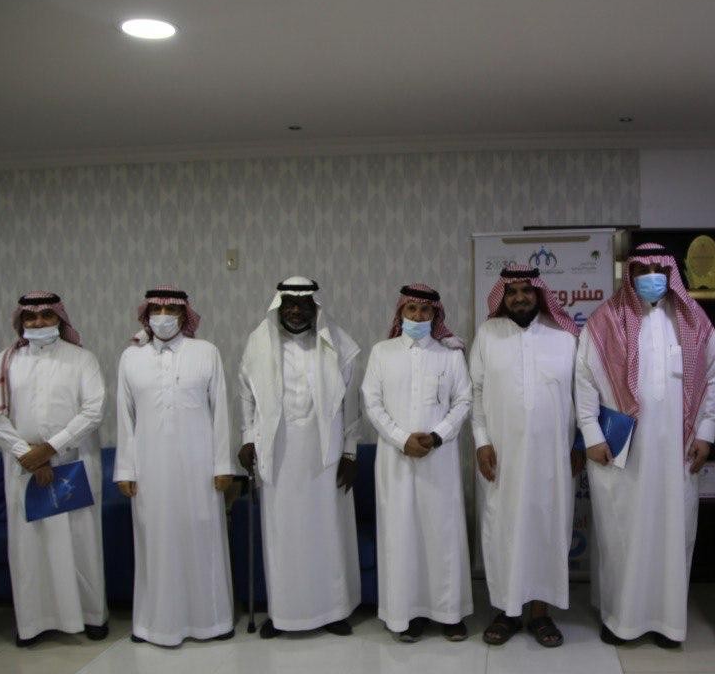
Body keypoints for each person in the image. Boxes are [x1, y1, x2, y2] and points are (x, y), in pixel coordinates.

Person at [574, 243, 715, 648]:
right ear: (631, 274)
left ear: (671, 273)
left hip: (678, 451)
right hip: (622, 453)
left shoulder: (692, 321)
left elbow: (714, 379)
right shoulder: (604, 321)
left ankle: (668, 622)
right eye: (643, 269)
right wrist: (592, 435)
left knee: (674, 533)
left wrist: (706, 432)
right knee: (621, 534)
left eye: (659, 268)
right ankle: (620, 619)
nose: (652, 276)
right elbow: (584, 381)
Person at [0, 291, 108, 647]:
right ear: (20, 322)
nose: (38, 322)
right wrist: (28, 454)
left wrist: (50, 449)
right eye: (31, 317)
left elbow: (94, 410)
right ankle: (34, 623)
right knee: (30, 548)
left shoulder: (82, 359)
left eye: (47, 316)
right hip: (22, 466)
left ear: (59, 319)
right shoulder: (4, 363)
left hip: (72, 463)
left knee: (79, 542)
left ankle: (90, 616)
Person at [238, 277, 361, 638]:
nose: (295, 310)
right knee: (282, 534)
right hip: (277, 454)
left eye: (303, 304)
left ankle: (334, 611)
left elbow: (351, 404)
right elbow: (246, 395)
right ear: (278, 307)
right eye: (289, 303)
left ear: (314, 307)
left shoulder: (338, 345)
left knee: (327, 531)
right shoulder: (258, 344)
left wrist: (350, 451)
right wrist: (247, 439)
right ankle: (283, 615)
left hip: (325, 455)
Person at [115, 286, 235, 646]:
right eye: (157, 309)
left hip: (200, 467)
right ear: (146, 315)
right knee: (155, 541)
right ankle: (154, 625)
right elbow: (124, 417)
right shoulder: (131, 358)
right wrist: (125, 469)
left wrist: (222, 464)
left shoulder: (206, 352)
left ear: (184, 315)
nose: (163, 316)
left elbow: (221, 411)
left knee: (202, 537)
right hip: (149, 469)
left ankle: (212, 622)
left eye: (171, 309)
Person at [471, 264, 581, 648]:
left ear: (539, 293)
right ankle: (507, 611)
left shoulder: (565, 337)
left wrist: (579, 445)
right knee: (503, 529)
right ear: (502, 297)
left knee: (547, 529)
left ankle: (540, 613)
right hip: (502, 457)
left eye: (526, 290)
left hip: (553, 459)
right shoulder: (487, 335)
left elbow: (582, 395)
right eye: (512, 291)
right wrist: (481, 441)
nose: (520, 297)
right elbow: (475, 393)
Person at [361, 284, 473, 642]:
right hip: (396, 461)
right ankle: (407, 614)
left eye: (425, 311)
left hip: (439, 460)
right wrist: (401, 438)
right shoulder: (382, 352)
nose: (418, 316)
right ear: (401, 312)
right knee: (401, 536)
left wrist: (438, 436)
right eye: (411, 310)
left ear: (435, 315)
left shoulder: (450, 355)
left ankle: (449, 613)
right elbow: (372, 402)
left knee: (442, 534)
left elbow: (464, 401)